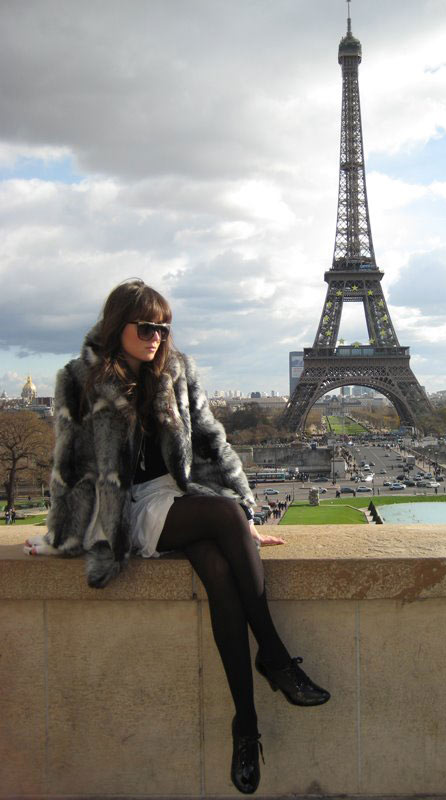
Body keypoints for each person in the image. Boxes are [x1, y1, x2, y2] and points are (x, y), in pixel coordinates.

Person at [24, 279, 329, 794]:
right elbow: (69, 468)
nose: (156, 338)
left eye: (163, 328)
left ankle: (246, 726)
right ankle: (275, 656)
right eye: (146, 327)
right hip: (130, 508)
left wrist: (245, 514)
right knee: (226, 517)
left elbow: (211, 441)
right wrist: (64, 534)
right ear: (117, 325)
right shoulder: (79, 380)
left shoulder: (177, 371)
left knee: (218, 565)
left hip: (181, 496)